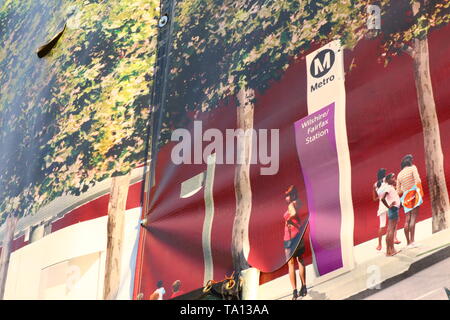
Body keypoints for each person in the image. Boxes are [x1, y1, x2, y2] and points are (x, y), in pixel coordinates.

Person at [284, 185, 307, 300]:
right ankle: (304, 286)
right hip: (298, 234)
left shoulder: (291, 205)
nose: (286, 197)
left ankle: (294, 291)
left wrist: (288, 219)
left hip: (289, 237)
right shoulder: (299, 202)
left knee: (291, 264)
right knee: (301, 259)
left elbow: (292, 213)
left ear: (292, 195)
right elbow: (298, 212)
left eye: (287, 195)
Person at [397, 154, 422, 248]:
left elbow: (398, 191)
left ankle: (408, 243)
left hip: (405, 197)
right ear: (410, 161)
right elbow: (418, 180)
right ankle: (412, 241)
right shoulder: (413, 168)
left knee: (407, 219)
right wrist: (413, 190)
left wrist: (405, 190)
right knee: (413, 218)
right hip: (414, 194)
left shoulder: (399, 174)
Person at [373, 169, 400, 251]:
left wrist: (380, 196)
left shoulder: (375, 185)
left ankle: (379, 244)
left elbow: (374, 199)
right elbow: (393, 191)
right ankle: (394, 239)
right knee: (393, 224)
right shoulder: (388, 183)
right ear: (385, 175)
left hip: (382, 206)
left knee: (382, 225)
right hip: (390, 204)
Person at [379, 173, 401, 256]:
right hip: (393, 209)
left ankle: (390, 249)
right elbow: (383, 199)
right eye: (392, 177)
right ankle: (390, 250)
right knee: (391, 230)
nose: (394, 178)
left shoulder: (391, 187)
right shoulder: (388, 188)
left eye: (394, 177)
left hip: (394, 209)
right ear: (388, 180)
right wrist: (389, 206)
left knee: (390, 230)